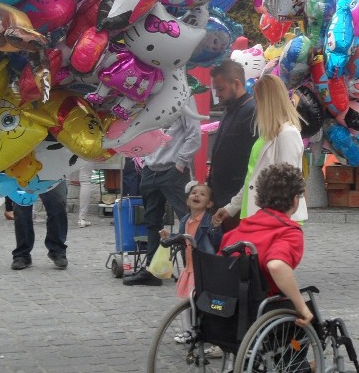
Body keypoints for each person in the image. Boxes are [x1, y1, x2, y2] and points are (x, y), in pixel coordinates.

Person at [219, 163, 313, 327]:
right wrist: (301, 306)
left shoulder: (237, 231)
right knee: (310, 315)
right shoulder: (288, 232)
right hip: (259, 309)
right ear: (295, 200)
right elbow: (276, 265)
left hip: (225, 308)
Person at [213, 74, 307, 227]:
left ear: (267, 101)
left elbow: (289, 183)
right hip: (257, 215)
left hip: (274, 220)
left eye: (258, 100)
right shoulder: (268, 135)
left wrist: (279, 221)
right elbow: (252, 178)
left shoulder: (287, 134)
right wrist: (231, 208)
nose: (256, 106)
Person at [123, 111, 201, 287]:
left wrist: (180, 163)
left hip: (173, 169)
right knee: (152, 221)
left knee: (187, 222)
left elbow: (194, 134)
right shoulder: (151, 95)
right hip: (151, 169)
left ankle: (193, 271)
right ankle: (152, 270)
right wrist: (145, 160)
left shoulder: (184, 97)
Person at [208, 59, 257, 225]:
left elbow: (255, 160)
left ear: (236, 84)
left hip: (238, 199)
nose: (217, 95)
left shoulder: (252, 110)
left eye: (221, 89)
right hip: (221, 196)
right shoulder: (229, 109)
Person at [173, 181, 222, 342]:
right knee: (185, 300)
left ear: (209, 204)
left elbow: (216, 243)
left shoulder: (209, 221)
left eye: (202, 194)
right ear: (187, 200)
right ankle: (188, 331)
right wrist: (169, 238)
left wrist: (215, 228)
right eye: (194, 193)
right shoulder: (184, 220)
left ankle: (199, 330)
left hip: (202, 267)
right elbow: (182, 240)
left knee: (197, 300)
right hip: (189, 267)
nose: (196, 195)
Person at [11, 178, 69, 270]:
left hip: (54, 169)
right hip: (22, 167)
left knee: (58, 203)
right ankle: (22, 254)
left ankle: (57, 250)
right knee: (21, 208)